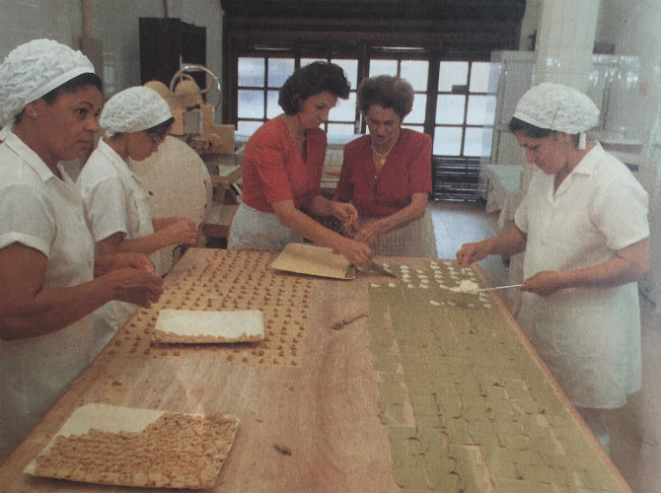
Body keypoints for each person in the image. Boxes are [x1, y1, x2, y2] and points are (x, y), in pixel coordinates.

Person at [456, 82, 650, 451]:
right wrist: (487, 246)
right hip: (544, 321)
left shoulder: (611, 183)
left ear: (564, 135)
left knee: (583, 437)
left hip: (589, 333)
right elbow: (525, 232)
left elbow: (637, 263)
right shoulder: (545, 176)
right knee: (539, 422)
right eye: (525, 148)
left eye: (534, 147)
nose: (529, 158)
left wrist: (563, 280)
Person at [0, 39, 164, 461]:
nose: (94, 126)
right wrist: (111, 286)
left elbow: (53, 268)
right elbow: (14, 313)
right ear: (33, 105)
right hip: (28, 390)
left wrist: (105, 264)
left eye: (95, 113)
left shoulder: (50, 173)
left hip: (60, 370)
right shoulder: (19, 185)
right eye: (81, 112)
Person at [76, 87, 198, 355]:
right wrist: (168, 237)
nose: (155, 150)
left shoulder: (118, 163)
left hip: (125, 293)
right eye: (154, 140)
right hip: (112, 304)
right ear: (133, 128)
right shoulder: (107, 176)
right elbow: (110, 252)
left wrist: (165, 224)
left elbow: (126, 229)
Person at [228, 62, 373, 269]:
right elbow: (286, 213)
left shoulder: (317, 138)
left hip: (291, 231)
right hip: (256, 233)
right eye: (319, 107)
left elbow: (308, 199)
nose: (324, 117)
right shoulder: (268, 139)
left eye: (329, 109)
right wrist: (343, 245)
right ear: (298, 100)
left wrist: (332, 207)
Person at [334, 75, 436, 257]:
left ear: (401, 118)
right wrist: (346, 220)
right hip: (363, 238)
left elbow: (418, 207)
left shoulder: (418, 144)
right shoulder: (353, 150)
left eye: (389, 123)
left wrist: (376, 227)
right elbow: (340, 200)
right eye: (374, 122)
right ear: (365, 116)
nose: (380, 131)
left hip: (408, 237)